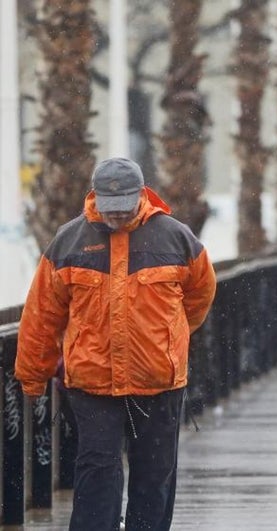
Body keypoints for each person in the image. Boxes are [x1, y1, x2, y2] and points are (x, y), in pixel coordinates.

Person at [15, 157, 217, 530]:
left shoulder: (175, 237)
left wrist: (169, 335)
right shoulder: (69, 242)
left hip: (159, 381)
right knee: (97, 471)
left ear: (140, 196)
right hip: (93, 383)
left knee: (154, 475)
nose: (117, 218)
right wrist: (32, 375)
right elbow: (42, 313)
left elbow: (201, 292)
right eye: (110, 210)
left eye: (124, 209)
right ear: (95, 198)